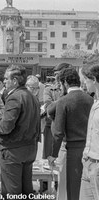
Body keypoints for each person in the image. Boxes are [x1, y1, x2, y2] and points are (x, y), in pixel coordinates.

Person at [0, 65, 40, 198]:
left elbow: (6, 127)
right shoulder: (32, 96)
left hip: (13, 151)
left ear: (15, 81)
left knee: (11, 192)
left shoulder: (15, 97)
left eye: (6, 79)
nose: (4, 81)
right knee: (26, 190)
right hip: (29, 149)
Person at [48, 67, 93, 200]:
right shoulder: (90, 100)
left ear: (65, 83)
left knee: (70, 189)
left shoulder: (64, 101)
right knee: (84, 190)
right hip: (89, 150)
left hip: (71, 151)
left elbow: (58, 132)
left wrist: (53, 154)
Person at [79, 64, 99, 200]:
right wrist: (86, 153)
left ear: (94, 80)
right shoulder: (95, 102)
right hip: (88, 162)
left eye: (86, 80)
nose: (84, 84)